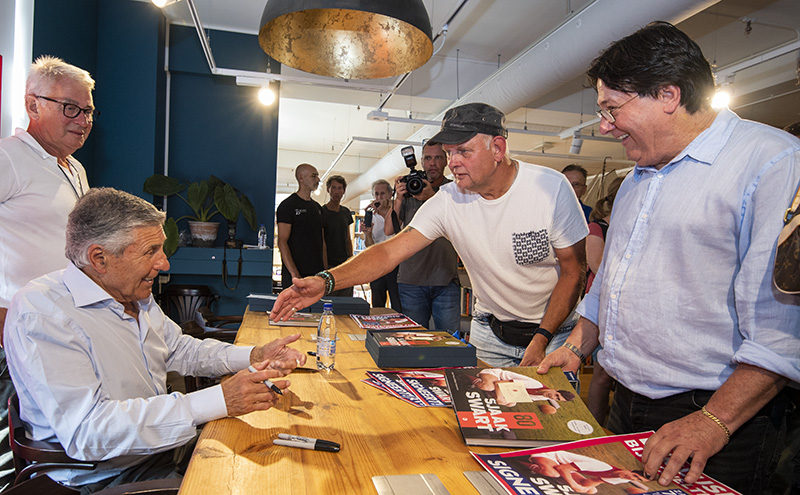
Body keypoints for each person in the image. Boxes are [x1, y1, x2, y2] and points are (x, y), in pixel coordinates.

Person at [538, 22, 800, 494]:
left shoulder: (774, 164)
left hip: (718, 418)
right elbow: (613, 283)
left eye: (612, 108)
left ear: (668, 95)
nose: (603, 125)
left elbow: (782, 330)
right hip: (627, 402)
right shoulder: (640, 175)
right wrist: (576, 347)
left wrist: (713, 422)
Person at [3, 188, 306, 492]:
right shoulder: (43, 312)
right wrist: (219, 400)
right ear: (99, 258)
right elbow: (90, 432)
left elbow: (179, 349)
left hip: (161, 448)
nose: (164, 263)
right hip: (107, 477)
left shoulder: (133, 294)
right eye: (150, 251)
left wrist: (253, 356)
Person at [272, 102, 588, 368]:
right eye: (450, 153)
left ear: (498, 148)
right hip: (489, 334)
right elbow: (388, 252)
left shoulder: (550, 189)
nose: (453, 163)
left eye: (463, 151)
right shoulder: (449, 199)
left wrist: (542, 337)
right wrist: (325, 281)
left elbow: (574, 271)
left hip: (553, 334)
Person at [0, 55, 97, 489]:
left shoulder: (74, 167)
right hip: (11, 326)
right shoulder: (9, 158)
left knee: (47, 438)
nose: (83, 120)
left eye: (89, 110)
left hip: (59, 326)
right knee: (10, 442)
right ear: (32, 105)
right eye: (71, 108)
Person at [385, 140, 461, 333]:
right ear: (422, 161)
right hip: (411, 281)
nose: (432, 163)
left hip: (445, 279)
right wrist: (399, 197)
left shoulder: (455, 189)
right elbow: (388, 229)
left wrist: (431, 197)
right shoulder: (410, 188)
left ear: (446, 161)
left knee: (450, 342)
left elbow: (462, 223)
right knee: (414, 342)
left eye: (438, 158)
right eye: (428, 158)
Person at [584, 176, 625, 425]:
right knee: (602, 370)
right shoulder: (597, 227)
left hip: (627, 308)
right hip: (603, 306)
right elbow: (596, 265)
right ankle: (595, 425)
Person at [276, 163, 325, 291]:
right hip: (296, 275)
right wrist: (294, 273)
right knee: (293, 310)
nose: (318, 180)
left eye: (317, 176)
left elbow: (322, 241)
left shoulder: (317, 208)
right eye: (314, 176)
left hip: (316, 274)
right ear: (301, 178)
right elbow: (282, 241)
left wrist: (325, 272)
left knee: (316, 310)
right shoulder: (287, 206)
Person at [521, 451, 649, 494]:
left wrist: (583, 488)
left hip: (564, 466)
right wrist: (574, 485)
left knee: (592, 490)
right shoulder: (599, 466)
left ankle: (542, 469)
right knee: (554, 473)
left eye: (637, 480)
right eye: (634, 475)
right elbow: (562, 469)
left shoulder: (622, 479)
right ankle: (521, 462)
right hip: (551, 456)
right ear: (630, 470)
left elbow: (591, 481)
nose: (631, 478)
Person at [364, 179, 402, 311]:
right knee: (377, 305)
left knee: (397, 304)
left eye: (382, 194)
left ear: (391, 194)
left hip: (397, 264)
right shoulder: (371, 216)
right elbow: (369, 247)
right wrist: (368, 234)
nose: (379, 198)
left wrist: (387, 211)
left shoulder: (398, 210)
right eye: (376, 194)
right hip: (378, 265)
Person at [321, 175, 354, 297]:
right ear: (328, 189)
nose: (336, 192)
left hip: (344, 263)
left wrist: (351, 260)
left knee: (346, 300)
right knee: (329, 300)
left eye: (340, 188)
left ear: (344, 190)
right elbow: (322, 241)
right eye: (333, 188)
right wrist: (325, 268)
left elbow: (348, 238)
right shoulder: (322, 212)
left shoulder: (345, 212)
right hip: (329, 264)